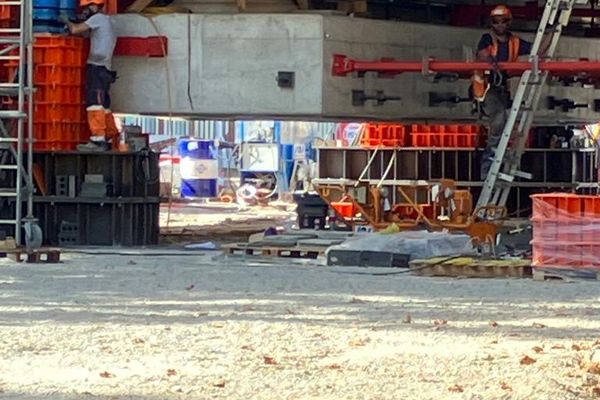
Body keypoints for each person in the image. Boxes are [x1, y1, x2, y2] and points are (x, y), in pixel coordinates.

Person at [473, 5, 535, 178]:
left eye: (503, 21)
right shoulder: (487, 39)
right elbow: (482, 55)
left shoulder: (514, 42)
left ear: (509, 22)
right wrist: (491, 61)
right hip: (487, 88)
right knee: (499, 120)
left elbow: (536, 48)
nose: (500, 24)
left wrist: (553, 34)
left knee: (506, 121)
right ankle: (488, 167)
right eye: (496, 21)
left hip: (502, 88)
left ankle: (498, 159)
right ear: (492, 23)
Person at [62, 0, 118, 151]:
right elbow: (87, 34)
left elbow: (75, 30)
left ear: (95, 6)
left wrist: (65, 19)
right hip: (105, 69)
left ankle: (98, 139)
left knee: (94, 104)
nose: (86, 11)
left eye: (88, 8)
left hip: (97, 68)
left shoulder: (98, 19)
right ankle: (109, 136)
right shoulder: (108, 22)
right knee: (104, 104)